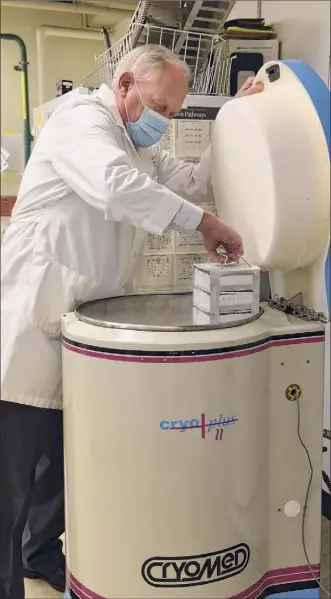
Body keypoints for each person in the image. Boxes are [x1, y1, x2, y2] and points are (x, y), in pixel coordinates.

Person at [0, 44, 263, 599]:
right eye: (159, 108)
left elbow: (192, 183)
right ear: (123, 85)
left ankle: (41, 557)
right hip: (29, 325)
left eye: (172, 113)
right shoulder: (82, 121)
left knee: (59, 468)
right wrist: (207, 225)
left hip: (82, 330)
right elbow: (115, 187)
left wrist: (235, 123)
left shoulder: (136, 144)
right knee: (12, 481)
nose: (163, 123)